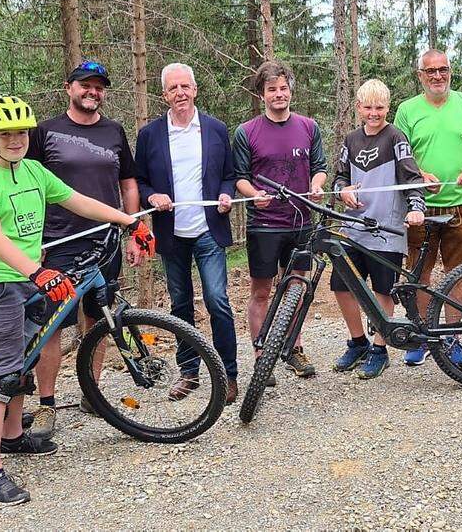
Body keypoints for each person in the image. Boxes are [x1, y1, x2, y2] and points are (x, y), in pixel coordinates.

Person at [0, 95, 155, 505]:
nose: (15, 140)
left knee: (22, 362)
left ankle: (13, 437)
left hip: (29, 282)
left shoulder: (33, 170)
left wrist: (129, 220)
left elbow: (76, 201)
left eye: (21, 133)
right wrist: (36, 272)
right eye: (6, 134)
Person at [23, 60, 142, 438]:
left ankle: (92, 392)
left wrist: (135, 226)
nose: (92, 92)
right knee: (53, 325)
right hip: (59, 242)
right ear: (68, 87)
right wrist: (34, 241)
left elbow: (128, 182)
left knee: (99, 318)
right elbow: (29, 185)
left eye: (99, 87)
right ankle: (46, 404)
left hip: (105, 242)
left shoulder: (114, 131)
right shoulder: (45, 132)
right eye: (84, 85)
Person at [136, 63, 240, 403]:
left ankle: (229, 373)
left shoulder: (215, 129)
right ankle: (190, 372)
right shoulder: (150, 134)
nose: (180, 93)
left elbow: (229, 174)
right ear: (164, 95)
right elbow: (139, 181)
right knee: (180, 304)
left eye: (185, 86)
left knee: (217, 300)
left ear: (195, 90)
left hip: (209, 228)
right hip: (171, 233)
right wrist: (151, 195)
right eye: (173, 88)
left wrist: (227, 194)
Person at [394, 48, 462, 367]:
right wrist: (419, 175)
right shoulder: (407, 110)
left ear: (450, 71)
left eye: (443, 69)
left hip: (461, 206)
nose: (438, 76)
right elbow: (400, 154)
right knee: (419, 273)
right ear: (420, 76)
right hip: (418, 207)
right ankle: (424, 336)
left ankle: (452, 338)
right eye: (431, 71)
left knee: (458, 273)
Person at [234, 60, 328, 381]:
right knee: (262, 291)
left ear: (291, 90)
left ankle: (294, 349)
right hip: (264, 224)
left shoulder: (308, 127)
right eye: (272, 89)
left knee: (296, 288)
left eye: (283, 88)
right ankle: (262, 354)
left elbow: (320, 167)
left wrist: (317, 186)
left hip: (301, 221)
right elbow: (239, 178)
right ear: (262, 94)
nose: (279, 94)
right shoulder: (246, 132)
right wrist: (253, 193)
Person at [331, 78, 426, 380]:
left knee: (382, 289)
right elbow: (339, 177)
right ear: (358, 107)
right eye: (368, 107)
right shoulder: (350, 140)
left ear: (388, 108)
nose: (374, 113)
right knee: (341, 285)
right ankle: (357, 342)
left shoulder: (396, 137)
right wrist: (342, 191)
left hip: (387, 228)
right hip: (354, 227)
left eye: (380, 108)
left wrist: (416, 208)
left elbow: (412, 177)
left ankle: (379, 347)